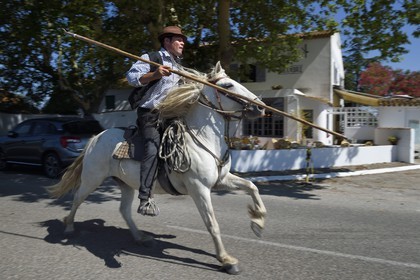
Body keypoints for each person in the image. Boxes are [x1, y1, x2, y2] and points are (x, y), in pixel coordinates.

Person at [126, 26, 186, 216]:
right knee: (152, 147)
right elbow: (131, 78)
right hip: (150, 114)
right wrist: (155, 74)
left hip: (171, 114)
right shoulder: (151, 57)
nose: (183, 43)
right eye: (178, 39)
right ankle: (145, 198)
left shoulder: (179, 66)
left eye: (183, 40)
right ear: (167, 41)